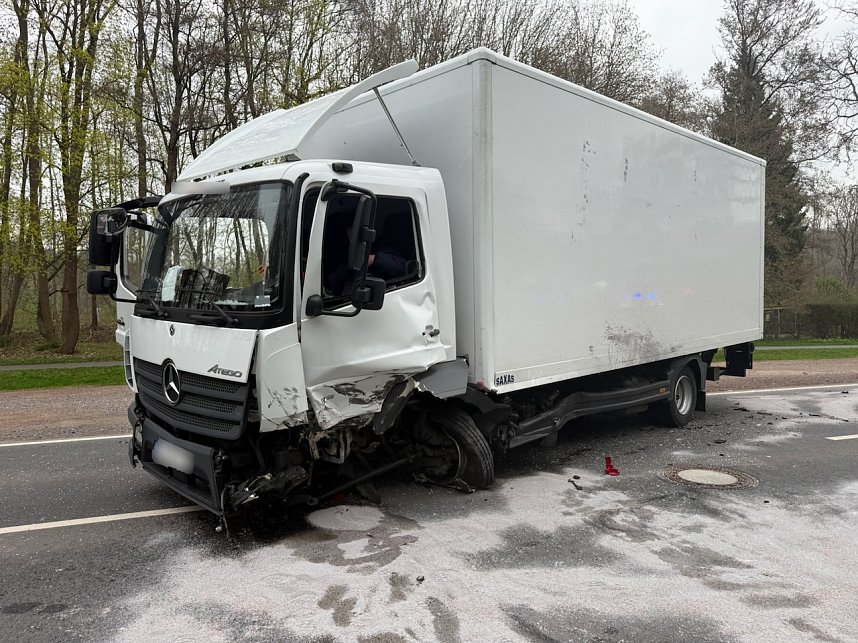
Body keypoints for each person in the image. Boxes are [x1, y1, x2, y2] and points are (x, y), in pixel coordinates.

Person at [326, 230, 409, 297]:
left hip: (373, 301)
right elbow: (333, 285)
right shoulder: (348, 257)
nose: (352, 238)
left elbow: (403, 268)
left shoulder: (381, 247)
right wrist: (349, 266)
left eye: (354, 233)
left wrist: (373, 259)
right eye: (350, 234)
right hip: (348, 302)